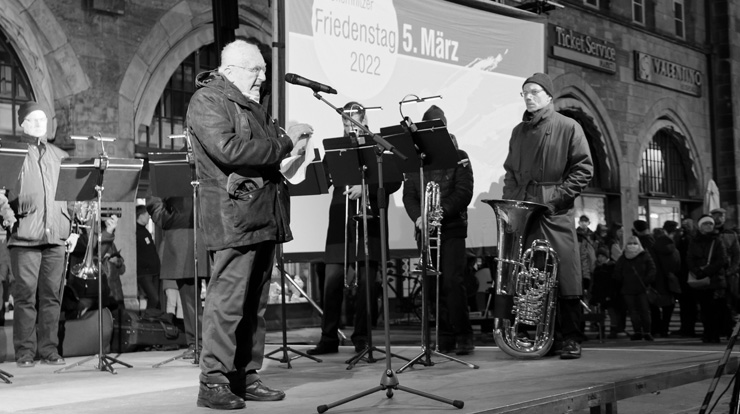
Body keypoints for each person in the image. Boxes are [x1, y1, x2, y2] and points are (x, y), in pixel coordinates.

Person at [186, 39, 310, 410]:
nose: (261, 78)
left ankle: (244, 375)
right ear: (229, 70)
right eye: (255, 70)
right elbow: (230, 150)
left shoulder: (252, 106)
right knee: (227, 303)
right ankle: (213, 381)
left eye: (263, 71)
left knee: (254, 304)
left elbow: (267, 160)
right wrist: (284, 140)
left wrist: (292, 150)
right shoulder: (208, 101)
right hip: (233, 217)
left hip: (261, 215)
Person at [502, 72, 593, 359]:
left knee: (565, 272)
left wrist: (554, 200)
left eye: (534, 91)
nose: (528, 96)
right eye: (524, 92)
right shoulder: (518, 132)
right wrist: (513, 207)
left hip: (555, 211)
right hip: (526, 210)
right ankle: (541, 336)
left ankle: (571, 338)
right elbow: (511, 174)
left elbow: (583, 169)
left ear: (549, 96)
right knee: (532, 275)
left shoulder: (569, 126)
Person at [307, 101, 401, 356]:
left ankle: (363, 337)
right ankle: (329, 338)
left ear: (365, 121)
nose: (350, 127)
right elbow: (323, 179)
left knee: (367, 284)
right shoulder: (336, 148)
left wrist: (366, 188)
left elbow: (393, 181)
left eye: (354, 122)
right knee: (332, 281)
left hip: (368, 222)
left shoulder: (377, 145)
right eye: (346, 123)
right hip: (341, 222)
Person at [401, 105, 475, 355]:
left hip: (451, 227)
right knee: (432, 285)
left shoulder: (459, 154)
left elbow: (463, 193)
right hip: (426, 230)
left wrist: (435, 213)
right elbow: (409, 195)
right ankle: (443, 335)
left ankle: (463, 334)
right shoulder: (416, 160)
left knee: (453, 283)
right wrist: (418, 217)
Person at [6, 101, 74, 367]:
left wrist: (73, 228)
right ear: (22, 123)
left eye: (43, 120)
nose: (39, 125)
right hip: (24, 236)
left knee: (51, 297)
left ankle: (49, 350)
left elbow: (70, 195)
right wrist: (13, 213)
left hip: (56, 236)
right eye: (33, 120)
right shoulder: (12, 152)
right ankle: (24, 353)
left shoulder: (59, 155)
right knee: (25, 298)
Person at [147, 196, 209, 357]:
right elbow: (154, 204)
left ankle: (220, 343)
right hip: (181, 238)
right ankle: (197, 343)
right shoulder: (165, 171)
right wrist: (180, 218)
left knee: (223, 296)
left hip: (213, 235)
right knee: (189, 299)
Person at [687, 215, 729, 343]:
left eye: (710, 224)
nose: (709, 226)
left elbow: (722, 259)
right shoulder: (694, 241)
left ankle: (715, 334)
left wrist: (706, 271)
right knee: (704, 308)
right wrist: (696, 271)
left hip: (715, 279)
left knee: (716, 308)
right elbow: (689, 258)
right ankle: (707, 333)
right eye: (706, 224)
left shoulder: (717, 240)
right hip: (700, 279)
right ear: (700, 226)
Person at [613, 235, 656, 341]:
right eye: (630, 243)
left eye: (634, 243)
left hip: (630, 288)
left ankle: (640, 332)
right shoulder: (644, 255)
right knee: (643, 311)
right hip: (639, 288)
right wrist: (646, 281)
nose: (632, 246)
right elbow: (652, 269)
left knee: (635, 312)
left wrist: (623, 280)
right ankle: (645, 332)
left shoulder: (623, 257)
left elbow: (617, 273)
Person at [710, 207, 740, 331]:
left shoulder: (730, 234)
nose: (719, 218)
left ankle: (729, 326)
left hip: (728, 272)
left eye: (721, 216)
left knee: (731, 300)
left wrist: (732, 270)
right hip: (713, 272)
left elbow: (736, 254)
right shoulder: (708, 233)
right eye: (716, 216)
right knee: (716, 302)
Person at [650, 222, 682, 337]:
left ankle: (655, 329)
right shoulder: (675, 250)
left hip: (656, 281)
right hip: (670, 281)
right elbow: (678, 266)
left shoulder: (652, 249)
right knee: (668, 306)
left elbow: (651, 266)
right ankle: (664, 329)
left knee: (654, 306)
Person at [590, 248, 623, 338]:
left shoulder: (611, 267)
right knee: (601, 313)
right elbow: (595, 282)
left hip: (609, 294)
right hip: (600, 294)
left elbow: (613, 282)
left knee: (611, 312)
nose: (600, 258)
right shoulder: (598, 268)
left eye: (602, 256)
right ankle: (602, 331)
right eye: (599, 256)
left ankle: (613, 330)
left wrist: (611, 294)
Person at [674, 218, 699, 337]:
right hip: (685, 274)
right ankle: (686, 327)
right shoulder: (685, 238)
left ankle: (688, 328)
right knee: (686, 304)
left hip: (687, 274)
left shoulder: (688, 240)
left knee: (688, 304)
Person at [135, 205, 161, 313]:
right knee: (154, 298)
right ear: (140, 216)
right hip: (144, 272)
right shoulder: (136, 232)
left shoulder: (145, 232)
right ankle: (147, 319)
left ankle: (152, 319)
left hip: (154, 271)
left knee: (155, 300)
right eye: (147, 215)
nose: (148, 217)